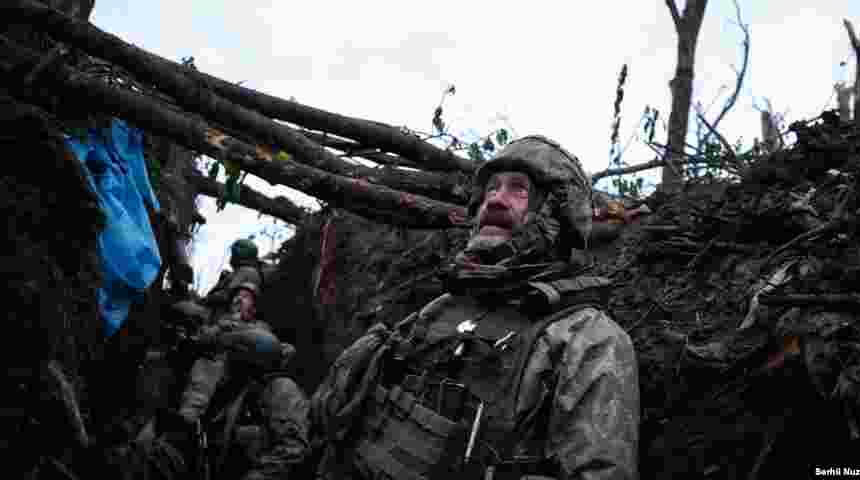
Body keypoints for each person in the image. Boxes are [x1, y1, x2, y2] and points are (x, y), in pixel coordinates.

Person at [311, 135, 639, 480]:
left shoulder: (587, 339)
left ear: (557, 217)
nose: (495, 199)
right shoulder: (440, 308)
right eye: (492, 188)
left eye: (518, 189)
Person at [145, 242, 309, 480]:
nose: (238, 302)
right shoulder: (230, 357)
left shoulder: (276, 383)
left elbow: (293, 452)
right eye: (236, 297)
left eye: (245, 298)